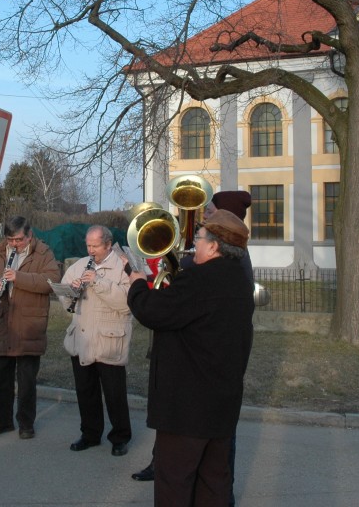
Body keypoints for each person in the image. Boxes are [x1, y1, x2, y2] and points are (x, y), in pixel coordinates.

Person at [127, 209, 255, 507]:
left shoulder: (200, 279)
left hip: (187, 407)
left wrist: (136, 284)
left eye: (199, 238)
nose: (194, 244)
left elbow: (153, 311)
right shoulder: (240, 279)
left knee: (174, 482)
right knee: (214, 482)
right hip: (222, 403)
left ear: (214, 245)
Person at [0, 216, 59, 440]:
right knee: (2, 377)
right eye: (10, 240)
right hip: (3, 323)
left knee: (27, 379)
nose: (14, 244)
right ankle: (2, 420)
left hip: (30, 324)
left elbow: (51, 281)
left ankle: (26, 423)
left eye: (19, 240)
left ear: (29, 235)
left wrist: (18, 277)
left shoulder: (43, 253)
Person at [59, 225, 133, 456]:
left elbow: (127, 303)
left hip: (110, 339)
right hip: (82, 337)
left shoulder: (123, 266)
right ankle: (90, 434)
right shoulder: (79, 265)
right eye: (88, 245)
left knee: (114, 394)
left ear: (108, 245)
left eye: (95, 246)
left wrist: (98, 282)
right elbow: (65, 301)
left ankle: (120, 437)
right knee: (86, 391)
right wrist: (71, 292)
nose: (90, 251)